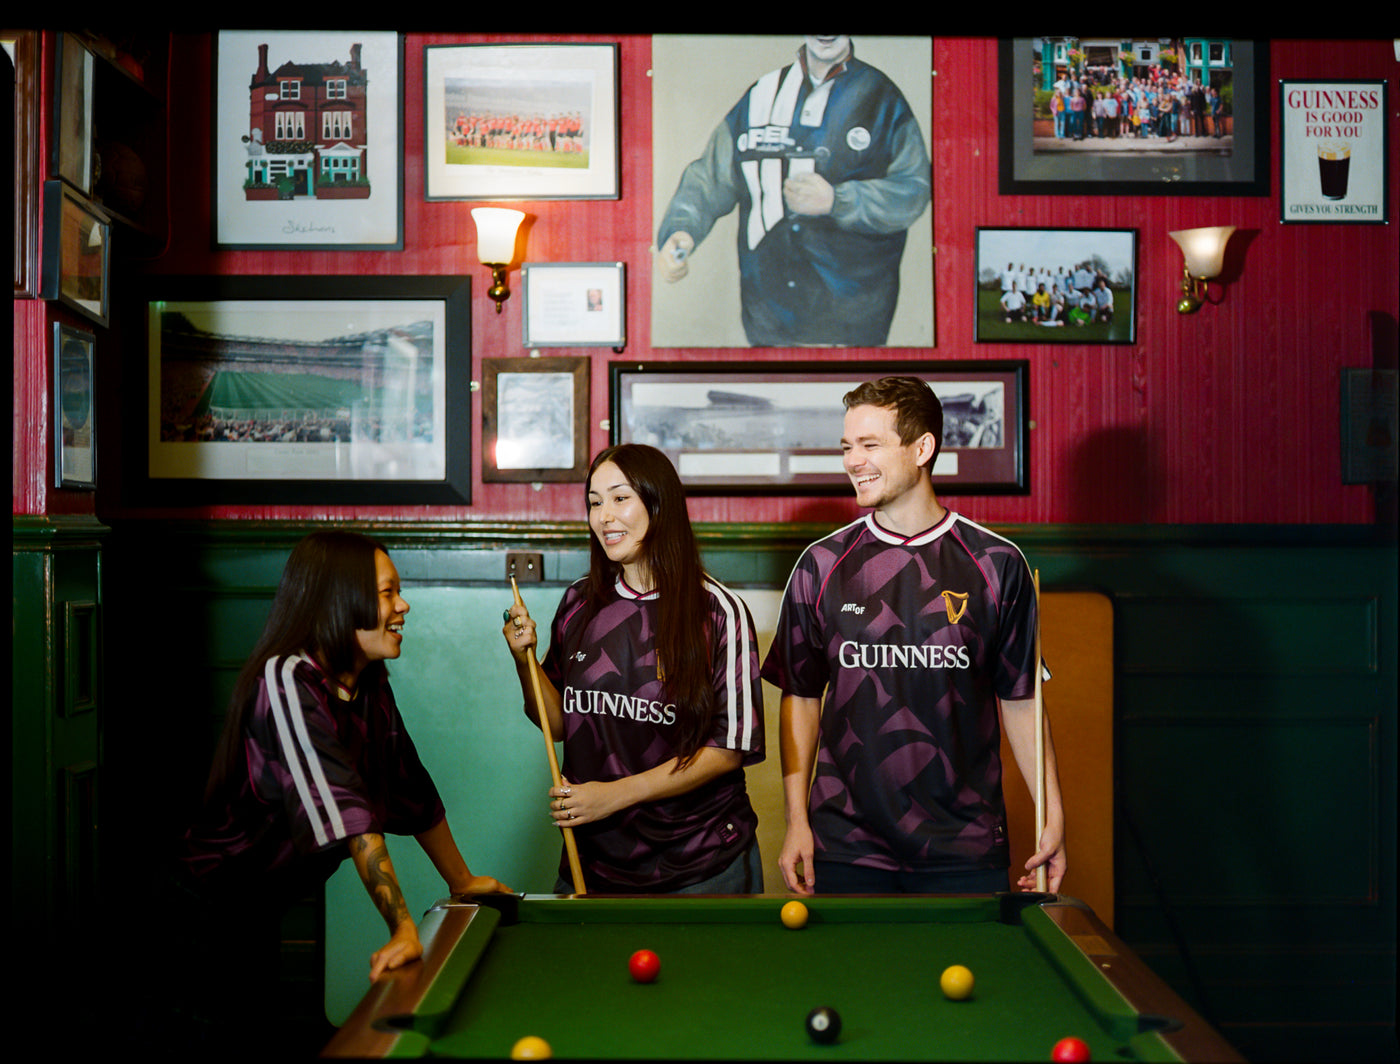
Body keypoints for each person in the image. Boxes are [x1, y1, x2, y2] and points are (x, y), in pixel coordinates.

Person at [175, 531, 508, 1052]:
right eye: (386, 592)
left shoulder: (369, 680)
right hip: (197, 912)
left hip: (261, 905)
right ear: (339, 600)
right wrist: (402, 928)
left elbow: (408, 784)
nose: (403, 605)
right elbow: (348, 812)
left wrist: (461, 880)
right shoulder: (285, 679)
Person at [760, 377, 1066, 896]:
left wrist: (1051, 816)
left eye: (870, 444)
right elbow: (802, 697)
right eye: (846, 446)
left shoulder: (997, 564)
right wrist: (796, 822)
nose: (853, 460)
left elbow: (1022, 700)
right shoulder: (820, 565)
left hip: (965, 846)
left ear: (922, 448)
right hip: (847, 845)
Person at [503, 444, 765, 893]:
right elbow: (556, 724)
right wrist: (522, 660)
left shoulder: (719, 612)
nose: (604, 516)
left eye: (620, 498)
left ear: (658, 504)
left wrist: (612, 796)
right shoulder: (579, 602)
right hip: (594, 864)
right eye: (595, 502)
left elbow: (728, 749)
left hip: (698, 865)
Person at [655, 36, 930, 346]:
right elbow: (708, 179)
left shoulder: (881, 97)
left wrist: (837, 201)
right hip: (767, 318)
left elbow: (913, 191)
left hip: (853, 320)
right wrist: (680, 232)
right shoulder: (761, 95)